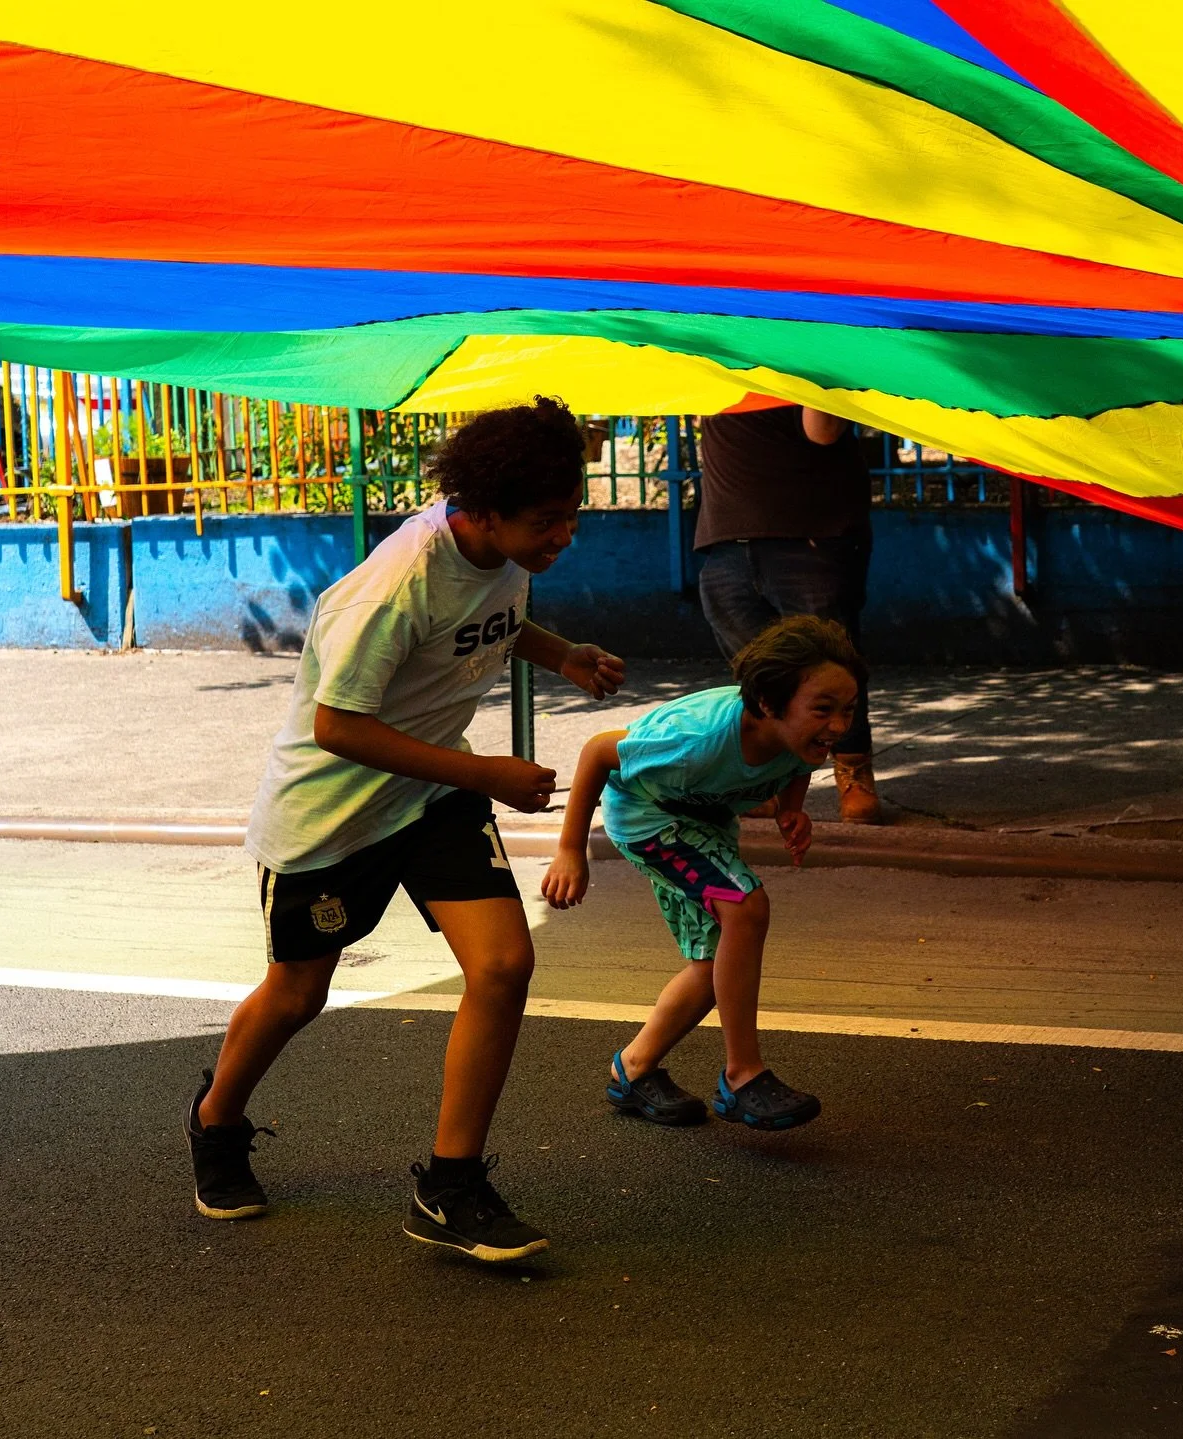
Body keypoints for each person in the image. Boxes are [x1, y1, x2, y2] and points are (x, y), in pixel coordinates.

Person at [185, 396, 625, 1264]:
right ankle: (215, 1118)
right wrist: (491, 773)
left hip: (427, 796)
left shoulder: (499, 547)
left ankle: (449, 1186)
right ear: (484, 511)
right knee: (297, 994)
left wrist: (560, 652)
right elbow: (337, 727)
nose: (562, 536)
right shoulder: (392, 586)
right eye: (548, 521)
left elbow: (488, 617)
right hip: (331, 816)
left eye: (572, 514)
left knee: (503, 962)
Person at [540, 616, 866, 1130]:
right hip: (648, 817)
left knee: (715, 963)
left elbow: (798, 762)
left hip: (701, 818)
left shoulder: (799, 737)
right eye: (823, 710)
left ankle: (633, 1069)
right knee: (745, 905)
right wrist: (569, 850)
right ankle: (743, 1076)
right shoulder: (698, 737)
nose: (839, 726)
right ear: (766, 703)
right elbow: (599, 752)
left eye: (848, 710)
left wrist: (790, 809)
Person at [694, 399, 883, 824]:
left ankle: (853, 773)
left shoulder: (805, 342)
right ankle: (765, 780)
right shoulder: (711, 353)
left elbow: (823, 430)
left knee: (833, 665)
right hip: (726, 537)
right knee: (758, 672)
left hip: (810, 537)